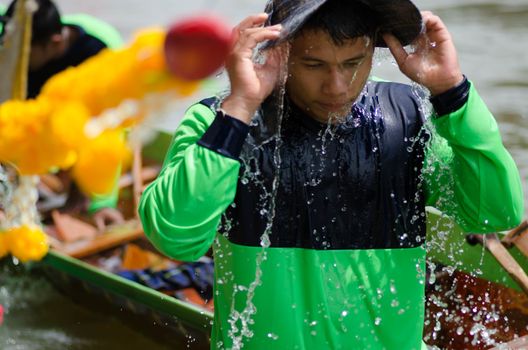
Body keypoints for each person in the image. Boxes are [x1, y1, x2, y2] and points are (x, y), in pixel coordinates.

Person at [139, 0, 524, 349]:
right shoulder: (220, 123)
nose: (337, 87)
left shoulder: (410, 116)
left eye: (353, 63)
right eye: (314, 65)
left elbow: (494, 214)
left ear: (375, 49)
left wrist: (453, 93)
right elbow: (176, 238)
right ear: (278, 52)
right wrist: (239, 107)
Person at [1, 0, 124, 231]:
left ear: (54, 43)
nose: (16, 58)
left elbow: (109, 133)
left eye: (24, 54)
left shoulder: (96, 60)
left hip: (94, 112)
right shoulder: (17, 36)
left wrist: (102, 202)